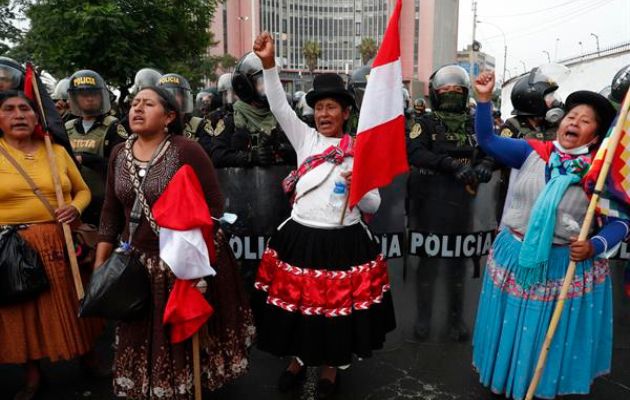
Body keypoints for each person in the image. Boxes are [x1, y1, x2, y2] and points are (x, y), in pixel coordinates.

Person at [251, 32, 395, 399]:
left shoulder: (361, 149)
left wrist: (358, 185)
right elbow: (279, 106)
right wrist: (269, 64)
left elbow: (374, 206)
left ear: (346, 113)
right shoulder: (305, 140)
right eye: (319, 108)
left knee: (335, 315)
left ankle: (331, 369)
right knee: (299, 309)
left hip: (344, 242)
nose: (323, 114)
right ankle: (297, 360)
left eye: (332, 107)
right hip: (301, 237)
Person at [472, 70, 627, 399]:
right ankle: (506, 378)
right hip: (516, 256)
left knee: (546, 334)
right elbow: (486, 140)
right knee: (510, 325)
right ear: (560, 121)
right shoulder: (531, 152)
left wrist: (595, 245)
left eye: (586, 120)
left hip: (565, 265)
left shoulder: (601, 175)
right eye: (572, 115)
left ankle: (540, 386)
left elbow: (622, 222)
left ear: (596, 134)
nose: (575, 122)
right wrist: (484, 101)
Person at [95, 86, 254, 399]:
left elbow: (214, 206)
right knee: (142, 334)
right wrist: (101, 262)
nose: (137, 109)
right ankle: (152, 385)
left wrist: (187, 254)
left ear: (169, 116)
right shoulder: (118, 152)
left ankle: (186, 384)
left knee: (184, 334)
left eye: (148, 104)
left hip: (182, 262)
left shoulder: (186, 150)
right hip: (136, 265)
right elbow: (111, 210)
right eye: (134, 103)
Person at [0, 91, 103, 400]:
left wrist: (75, 208)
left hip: (60, 242)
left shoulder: (56, 151)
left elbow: (83, 191)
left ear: (37, 118)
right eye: (9, 109)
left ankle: (88, 357)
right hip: (12, 248)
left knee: (74, 304)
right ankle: (32, 374)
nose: (18, 115)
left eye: (25, 109)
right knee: (23, 312)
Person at [406, 64, 496, 342]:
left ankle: (456, 318)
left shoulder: (474, 122)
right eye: (445, 90)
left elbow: (490, 148)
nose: (451, 93)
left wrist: (486, 165)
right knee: (428, 263)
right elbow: (416, 152)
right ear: (435, 93)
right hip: (429, 202)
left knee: (458, 263)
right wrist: (449, 165)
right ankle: (423, 317)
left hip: (463, 203)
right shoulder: (427, 123)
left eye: (457, 90)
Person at [210, 52, 295, 168]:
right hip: (240, 185)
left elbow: (304, 151)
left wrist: (280, 147)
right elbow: (217, 156)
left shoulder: (284, 118)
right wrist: (249, 157)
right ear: (246, 85)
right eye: (263, 82)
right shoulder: (231, 120)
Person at [65, 69, 126, 225]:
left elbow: (120, 166)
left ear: (102, 97)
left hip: (104, 201)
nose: (90, 99)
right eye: (84, 95)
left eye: (94, 94)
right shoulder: (67, 127)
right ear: (75, 99)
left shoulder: (113, 126)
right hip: (73, 203)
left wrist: (84, 159)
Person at [156, 73, 214, 156]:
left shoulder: (199, 125)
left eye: (174, 95)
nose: (170, 99)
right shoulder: (152, 126)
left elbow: (207, 158)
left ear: (183, 98)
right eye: (165, 95)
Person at [500, 68, 564, 140]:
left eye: (553, 95)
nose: (554, 100)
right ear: (533, 101)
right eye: (550, 96)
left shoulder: (552, 124)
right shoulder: (512, 128)